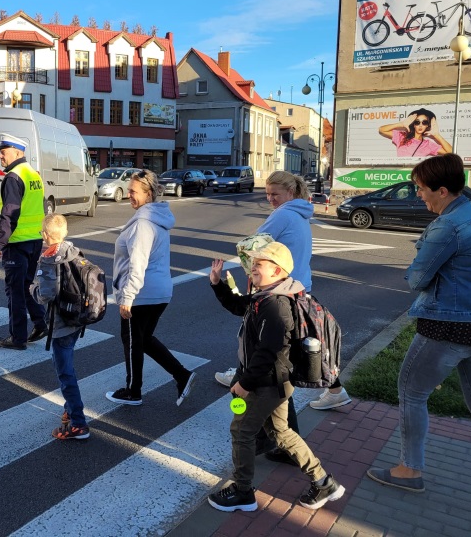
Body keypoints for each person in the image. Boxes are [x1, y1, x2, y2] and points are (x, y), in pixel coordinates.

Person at [367, 153, 471, 493]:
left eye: (421, 189)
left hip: (449, 326)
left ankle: (409, 470)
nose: (418, 194)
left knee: (411, 393)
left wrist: (421, 249)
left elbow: (417, 279)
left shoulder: (448, 226)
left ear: (443, 190)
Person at [215, 171, 350, 461]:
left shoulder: (284, 215)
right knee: (282, 367)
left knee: (270, 366)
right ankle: (279, 440)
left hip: (277, 292)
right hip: (299, 288)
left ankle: (278, 441)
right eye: (267, 195)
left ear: (290, 192)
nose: (271, 200)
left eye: (275, 194)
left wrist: (252, 273)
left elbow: (251, 245)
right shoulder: (302, 214)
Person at [207, 241, 345, 513]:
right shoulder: (266, 296)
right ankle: (323, 482)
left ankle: (243, 491)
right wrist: (217, 284)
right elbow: (238, 306)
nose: (252, 269)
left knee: (242, 431)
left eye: (258, 265)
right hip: (275, 382)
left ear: (277, 270)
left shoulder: (276, 305)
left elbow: (269, 350)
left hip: (265, 383)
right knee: (281, 432)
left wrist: (245, 383)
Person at [106, 169, 196, 407]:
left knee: (133, 341)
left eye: (133, 191)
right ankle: (182, 375)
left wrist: (127, 296)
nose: (129, 195)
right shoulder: (156, 218)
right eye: (128, 190)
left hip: (142, 293)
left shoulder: (143, 224)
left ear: (148, 194)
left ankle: (133, 392)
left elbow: (138, 264)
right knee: (143, 340)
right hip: (159, 291)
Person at [30, 213, 90, 440]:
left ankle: (79, 424)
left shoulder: (48, 259)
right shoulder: (73, 251)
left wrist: (31, 289)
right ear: (64, 233)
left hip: (61, 324)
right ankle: (70, 407)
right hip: (76, 320)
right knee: (65, 366)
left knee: (65, 373)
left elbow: (45, 295)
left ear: (45, 236)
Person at [0, 133, 48, 350]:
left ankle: (18, 338)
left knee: (15, 291)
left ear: (17, 152)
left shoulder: (14, 177)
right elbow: (41, 206)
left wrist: (0, 244)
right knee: (25, 286)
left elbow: (10, 214)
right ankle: (40, 323)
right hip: (34, 240)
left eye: (3, 152)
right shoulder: (33, 174)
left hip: (17, 243)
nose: (0, 156)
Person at [378, 108, 452, 157]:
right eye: (417, 122)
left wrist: (437, 135)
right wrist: (401, 124)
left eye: (424, 122)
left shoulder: (428, 144)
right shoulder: (402, 136)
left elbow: (451, 152)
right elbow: (382, 130)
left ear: (427, 125)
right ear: (413, 124)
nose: (420, 125)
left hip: (417, 176)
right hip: (401, 174)